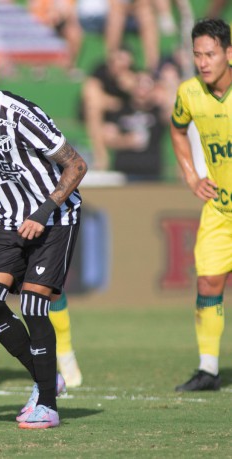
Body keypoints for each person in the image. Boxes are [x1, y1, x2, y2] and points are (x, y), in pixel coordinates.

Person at [0, 41, 88, 428]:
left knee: (33, 304)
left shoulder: (19, 115)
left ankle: (47, 406)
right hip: (8, 220)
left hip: (56, 218)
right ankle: (46, 379)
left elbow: (76, 165)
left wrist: (43, 213)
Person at [170, 18, 232, 392]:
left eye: (210, 54)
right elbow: (178, 130)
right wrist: (192, 176)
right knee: (208, 281)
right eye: (197, 55)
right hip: (221, 210)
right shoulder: (189, 93)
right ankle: (208, 369)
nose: (203, 62)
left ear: (229, 53)